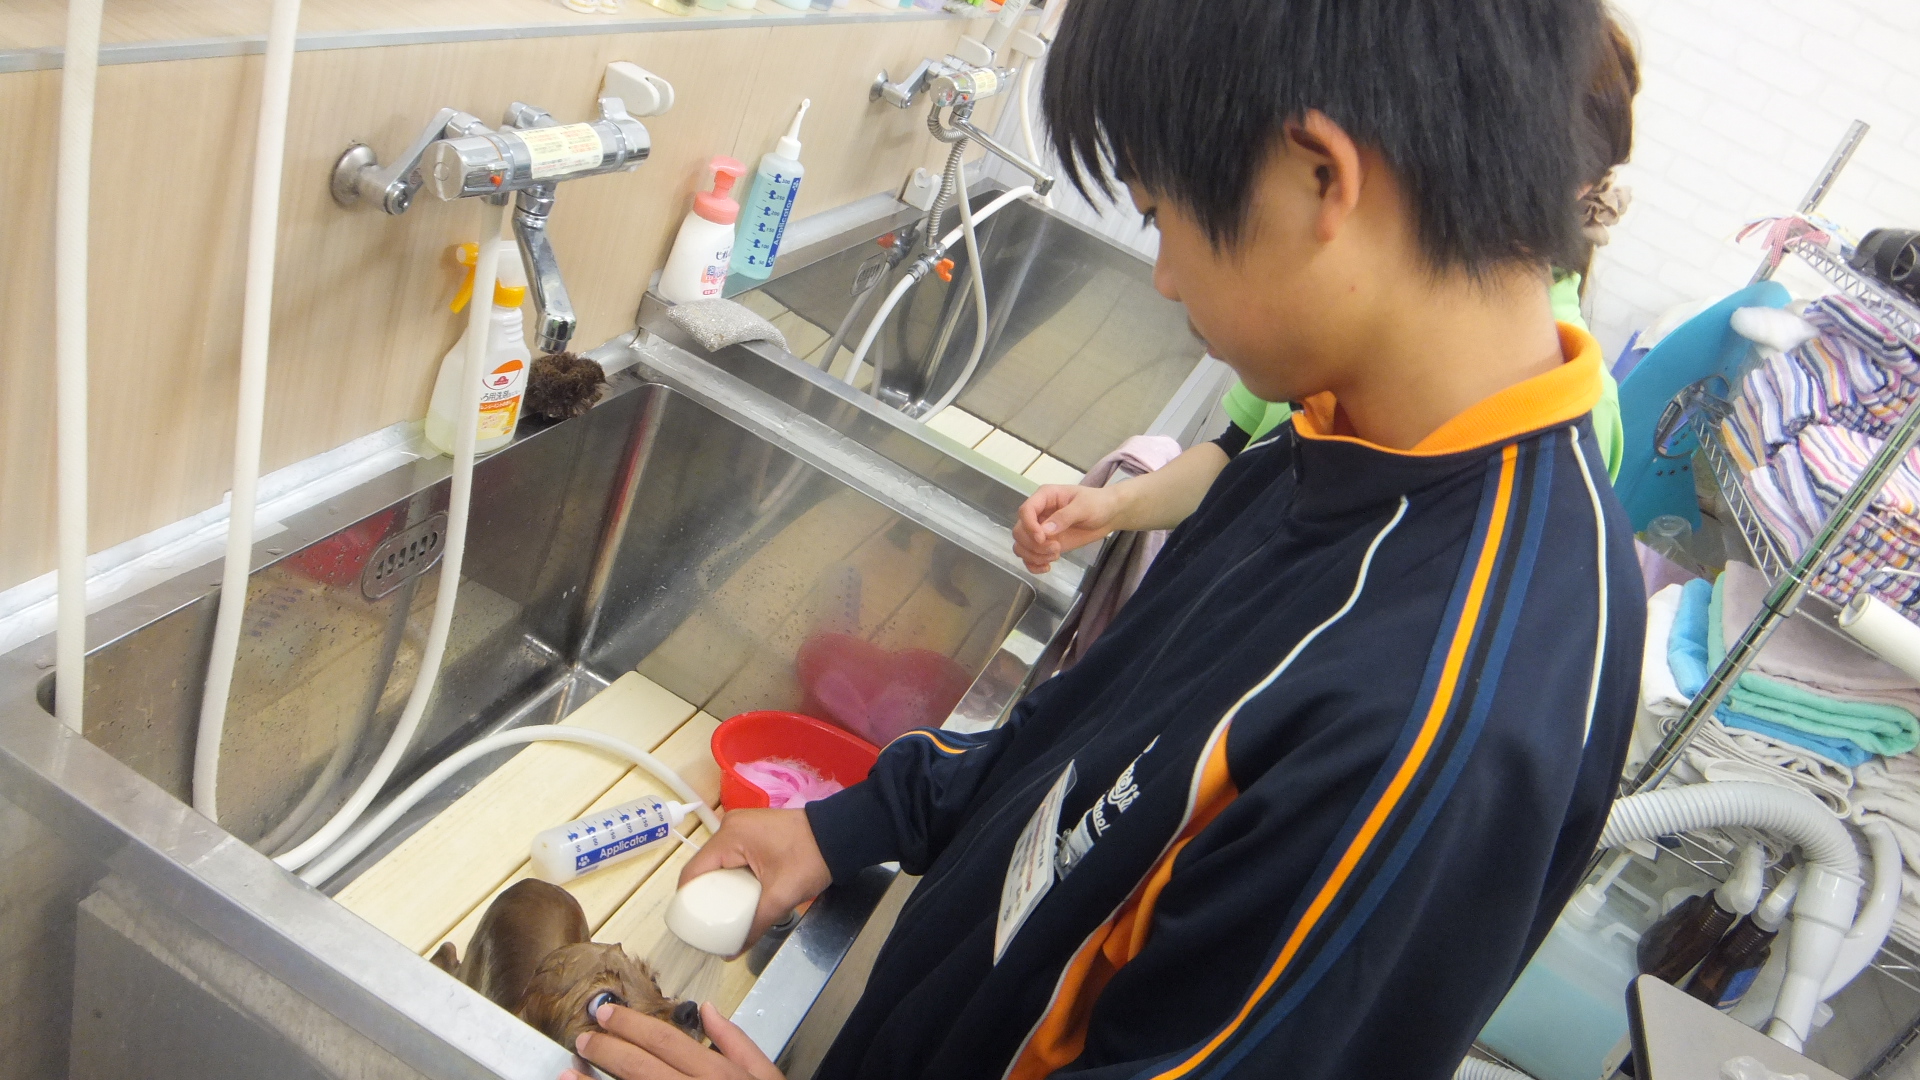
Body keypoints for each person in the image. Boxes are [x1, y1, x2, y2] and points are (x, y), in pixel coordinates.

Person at [566, 1, 1645, 1078]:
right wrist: (850, 825)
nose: (1165, 277)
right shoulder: (1325, 442)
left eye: (1162, 214)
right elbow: (1087, 736)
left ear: (1321, 177)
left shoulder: (1440, 721)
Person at [1012, 14, 1641, 577]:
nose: (1166, 282)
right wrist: (1117, 506)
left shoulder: (1523, 483)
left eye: (1158, 215)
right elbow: (1236, 457)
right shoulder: (1328, 364)